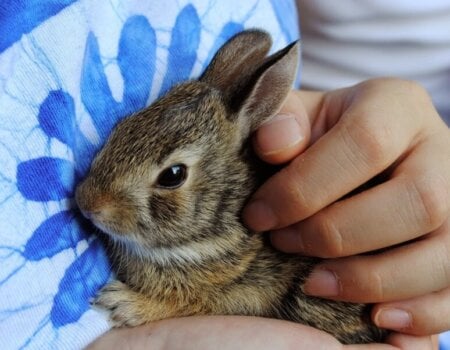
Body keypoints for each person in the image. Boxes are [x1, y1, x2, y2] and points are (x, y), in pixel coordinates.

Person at [0, 1, 449, 349]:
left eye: (172, 176)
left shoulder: (241, 238)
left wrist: (404, 156)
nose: (94, 200)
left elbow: (242, 291)